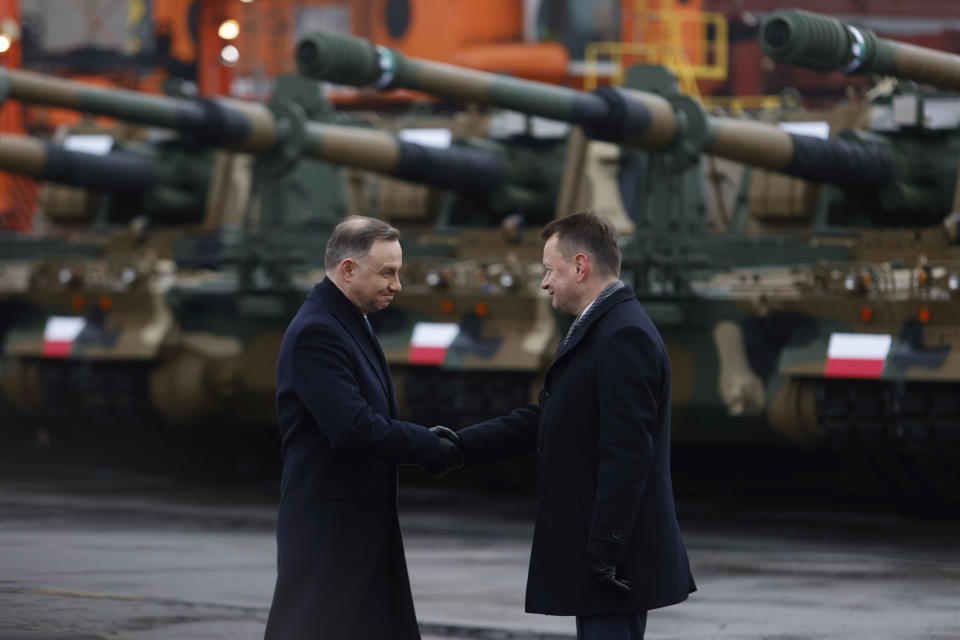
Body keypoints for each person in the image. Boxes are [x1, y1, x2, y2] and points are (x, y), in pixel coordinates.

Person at [435, 210, 696, 639]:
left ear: (580, 266)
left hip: (613, 565)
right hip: (603, 558)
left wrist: (607, 550)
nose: (543, 283)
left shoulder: (621, 335)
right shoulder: (598, 328)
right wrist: (461, 445)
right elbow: (548, 416)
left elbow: (628, 452)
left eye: (548, 270)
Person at [264, 216, 462, 640]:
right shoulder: (319, 330)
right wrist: (429, 445)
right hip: (331, 533)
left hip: (362, 527)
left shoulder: (349, 320)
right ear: (348, 270)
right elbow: (353, 427)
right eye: (386, 273)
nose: (397, 285)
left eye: (398, 272)